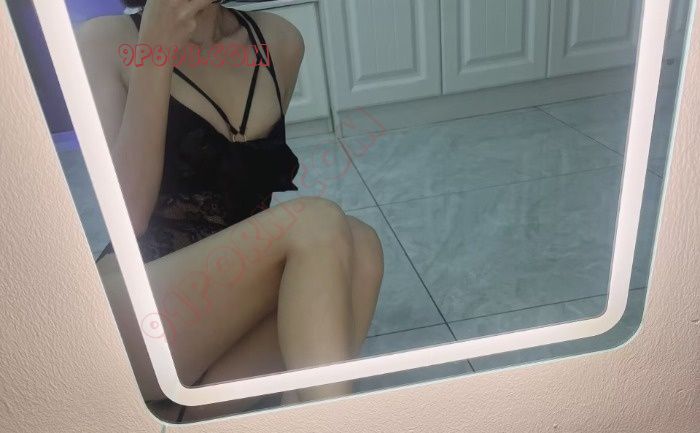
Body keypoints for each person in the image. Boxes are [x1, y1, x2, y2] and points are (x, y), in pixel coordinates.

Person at [77, 0, 384, 421]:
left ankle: (298, 418)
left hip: (225, 312)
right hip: (139, 306)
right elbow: (128, 218)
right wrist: (156, 45)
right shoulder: (103, 41)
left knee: (363, 245)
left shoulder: (280, 41)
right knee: (316, 221)